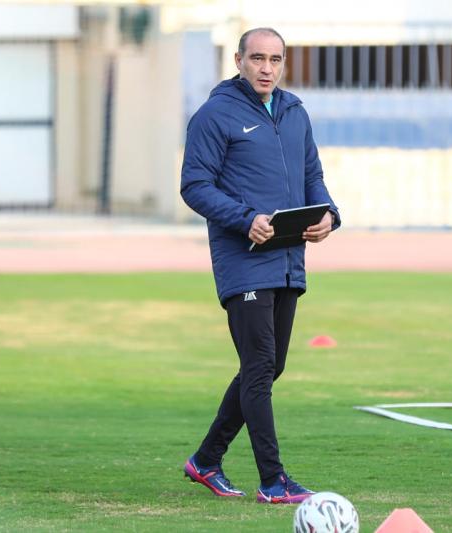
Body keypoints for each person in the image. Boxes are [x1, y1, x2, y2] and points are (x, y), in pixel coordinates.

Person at [179, 27, 340, 504]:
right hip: (244, 261)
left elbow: (312, 176)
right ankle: (274, 481)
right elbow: (195, 185)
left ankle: (206, 460)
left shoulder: (294, 112)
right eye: (257, 59)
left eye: (275, 59)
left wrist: (330, 214)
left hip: (288, 260)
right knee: (259, 367)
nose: (267, 68)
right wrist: (245, 219)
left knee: (269, 367)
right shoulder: (214, 115)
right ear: (238, 61)